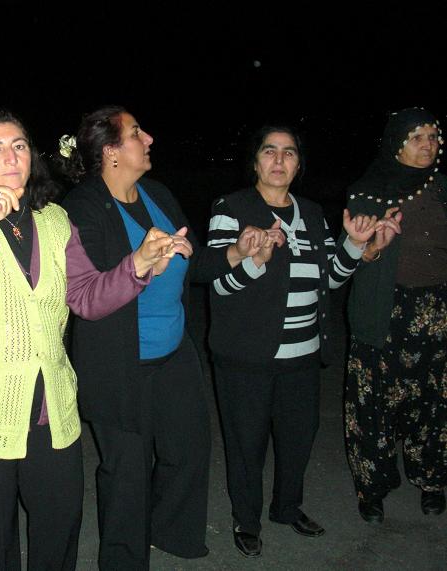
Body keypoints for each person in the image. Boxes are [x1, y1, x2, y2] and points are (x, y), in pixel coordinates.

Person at [0, 108, 184, 570]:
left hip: (50, 406)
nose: (11, 157)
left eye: (19, 145)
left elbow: (86, 298)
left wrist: (139, 264)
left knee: (59, 528)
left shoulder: (55, 219)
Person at [58, 105, 282, 569]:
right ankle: (123, 560)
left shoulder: (157, 194)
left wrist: (238, 251)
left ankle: (169, 532)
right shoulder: (82, 207)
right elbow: (88, 295)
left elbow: (194, 262)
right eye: (136, 133)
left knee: (189, 448)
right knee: (127, 471)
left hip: (174, 351)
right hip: (120, 361)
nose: (149, 139)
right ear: (111, 152)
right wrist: (140, 264)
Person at [206, 125, 397, 558]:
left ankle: (287, 507)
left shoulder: (310, 213)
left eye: (289, 153)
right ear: (255, 161)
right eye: (269, 151)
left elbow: (330, 278)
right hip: (247, 356)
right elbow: (218, 282)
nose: (279, 160)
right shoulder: (231, 208)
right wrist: (252, 259)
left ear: (298, 164)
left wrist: (355, 244)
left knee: (298, 438)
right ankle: (246, 519)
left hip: (303, 354)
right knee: (247, 444)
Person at [345, 107, 446, 523]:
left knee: (434, 402)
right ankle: (372, 488)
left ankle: (432, 479)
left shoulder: (442, 188)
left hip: (437, 310)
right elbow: (347, 261)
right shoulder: (368, 193)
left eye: (433, 137)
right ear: (396, 144)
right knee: (374, 405)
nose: (427, 144)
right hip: (383, 309)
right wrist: (371, 247)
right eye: (416, 137)